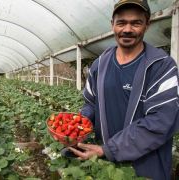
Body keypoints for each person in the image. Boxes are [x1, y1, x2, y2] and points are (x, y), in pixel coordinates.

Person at [65, 0, 179, 179]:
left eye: (136, 23)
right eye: (121, 22)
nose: (127, 29)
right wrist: (78, 126)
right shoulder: (99, 64)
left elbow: (160, 121)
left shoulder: (161, 66)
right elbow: (91, 104)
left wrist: (109, 149)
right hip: (106, 165)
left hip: (146, 169)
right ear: (112, 25)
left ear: (147, 24)